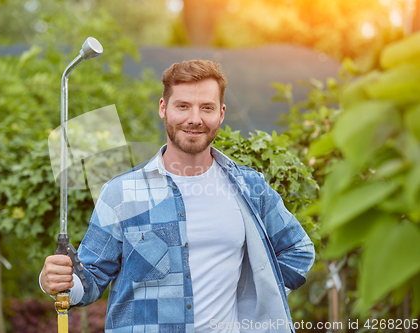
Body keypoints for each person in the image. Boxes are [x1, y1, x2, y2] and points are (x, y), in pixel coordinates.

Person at [40, 60, 315, 333]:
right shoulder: (121, 193)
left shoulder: (249, 188)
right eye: (182, 106)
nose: (194, 118)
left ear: (220, 114)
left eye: (206, 108)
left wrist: (256, 296)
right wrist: (59, 281)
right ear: (164, 108)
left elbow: (299, 250)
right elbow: (90, 280)